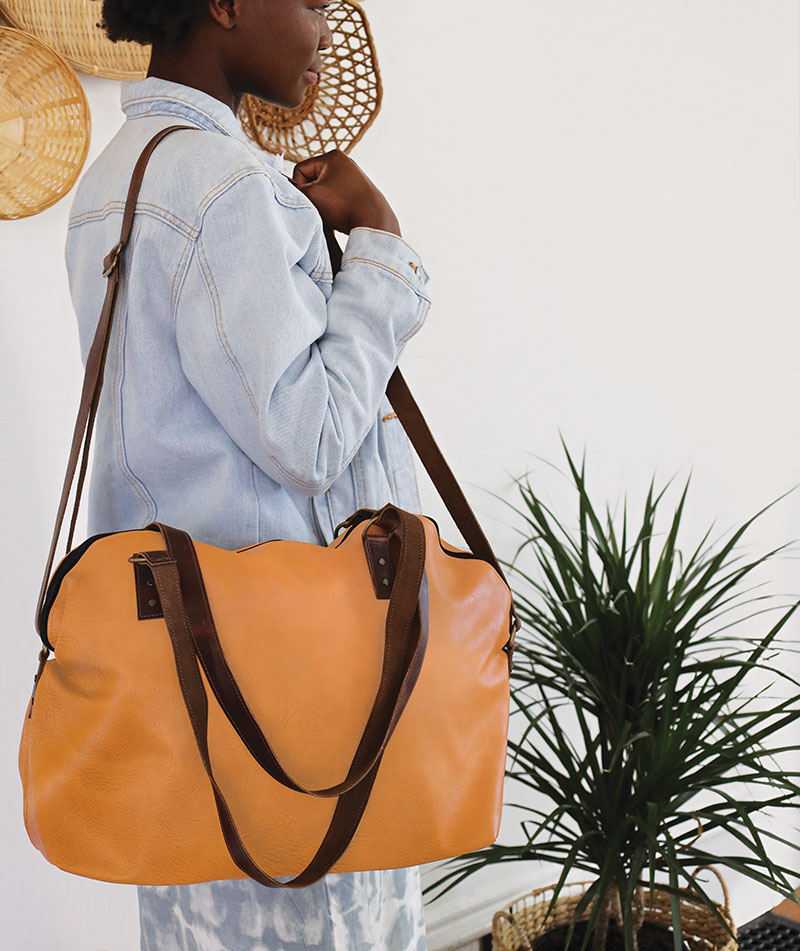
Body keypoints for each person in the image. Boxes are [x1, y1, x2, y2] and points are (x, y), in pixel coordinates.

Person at [64, 1, 432, 948]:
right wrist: (380, 242)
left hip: (186, 672)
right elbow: (311, 440)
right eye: (310, 1)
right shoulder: (227, 188)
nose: (325, 29)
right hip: (292, 689)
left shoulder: (113, 180)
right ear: (226, 4)